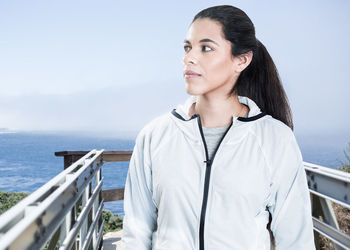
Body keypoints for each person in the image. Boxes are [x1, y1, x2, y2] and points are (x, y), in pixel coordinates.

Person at [120, 5, 315, 250]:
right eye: (187, 47)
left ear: (241, 60)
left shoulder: (275, 139)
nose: (189, 58)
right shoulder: (154, 136)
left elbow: (296, 240)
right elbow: (136, 234)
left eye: (206, 48)